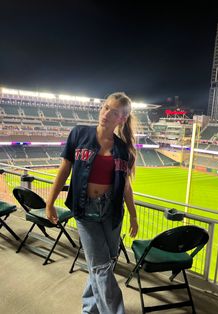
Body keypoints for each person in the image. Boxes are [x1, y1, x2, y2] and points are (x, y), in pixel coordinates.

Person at [46, 92, 139, 314]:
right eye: (105, 107)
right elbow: (64, 170)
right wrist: (50, 202)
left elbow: (126, 186)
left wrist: (133, 215)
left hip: (111, 211)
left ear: (122, 119)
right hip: (84, 209)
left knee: (102, 265)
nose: (106, 113)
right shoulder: (79, 133)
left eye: (114, 112)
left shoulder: (123, 149)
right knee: (100, 267)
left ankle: (89, 310)